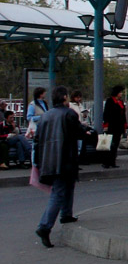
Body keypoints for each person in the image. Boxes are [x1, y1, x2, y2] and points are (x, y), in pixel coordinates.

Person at [34, 86, 92, 248]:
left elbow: (37, 140)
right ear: (65, 98)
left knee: (66, 186)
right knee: (59, 191)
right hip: (65, 157)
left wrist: (38, 162)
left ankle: (66, 214)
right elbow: (77, 132)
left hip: (49, 159)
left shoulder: (45, 116)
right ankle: (44, 227)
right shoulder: (69, 114)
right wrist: (86, 131)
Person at [102, 84, 126, 168]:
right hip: (111, 125)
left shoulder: (121, 102)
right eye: (120, 92)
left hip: (118, 126)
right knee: (109, 144)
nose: (121, 94)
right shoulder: (110, 101)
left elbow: (123, 115)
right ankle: (106, 162)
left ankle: (112, 161)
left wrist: (124, 125)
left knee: (115, 144)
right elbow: (106, 113)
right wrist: (106, 124)